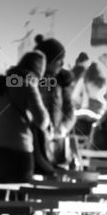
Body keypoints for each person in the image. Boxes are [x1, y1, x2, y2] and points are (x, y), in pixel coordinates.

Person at [0, 51, 49, 200]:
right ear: (35, 73)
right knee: (19, 205)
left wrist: (3, 115)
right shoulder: (27, 85)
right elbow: (42, 121)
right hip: (19, 152)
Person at [32, 35, 75, 168]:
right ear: (47, 62)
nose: (62, 64)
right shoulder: (31, 81)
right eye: (59, 60)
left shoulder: (62, 83)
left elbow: (70, 110)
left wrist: (62, 129)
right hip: (36, 142)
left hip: (58, 142)